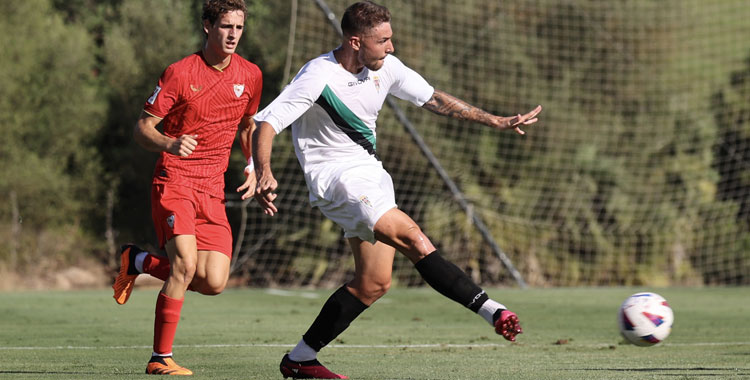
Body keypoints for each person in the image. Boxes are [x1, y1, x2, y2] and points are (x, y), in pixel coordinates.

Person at [251, 1, 541, 378]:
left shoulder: (386, 67)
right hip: (336, 180)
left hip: (370, 175)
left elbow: (433, 98)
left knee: (373, 283)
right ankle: (493, 310)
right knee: (413, 238)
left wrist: (495, 120)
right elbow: (268, 123)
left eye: (390, 38)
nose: (391, 47)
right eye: (383, 40)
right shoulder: (317, 76)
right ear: (355, 42)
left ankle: (300, 359)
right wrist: (264, 171)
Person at [111, 0, 262, 375]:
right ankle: (160, 358)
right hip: (174, 180)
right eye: (226, 26)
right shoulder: (180, 72)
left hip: (212, 188)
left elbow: (248, 126)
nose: (233, 35)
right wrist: (169, 143)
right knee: (185, 265)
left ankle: (139, 261)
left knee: (213, 281)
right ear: (207, 26)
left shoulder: (252, 75)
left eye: (239, 28)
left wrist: (254, 164)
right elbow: (142, 128)